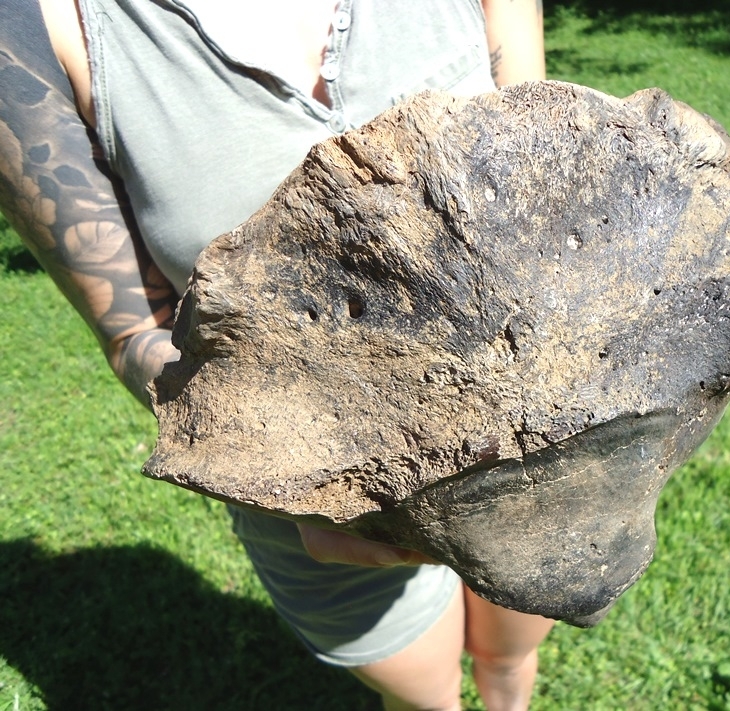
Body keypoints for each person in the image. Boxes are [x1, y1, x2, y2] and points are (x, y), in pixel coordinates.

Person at [0, 1, 555, 708]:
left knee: (510, 656)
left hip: (530, 449)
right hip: (311, 506)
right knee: (424, 692)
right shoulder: (32, 29)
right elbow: (135, 332)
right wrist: (297, 479)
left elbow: (546, 174)